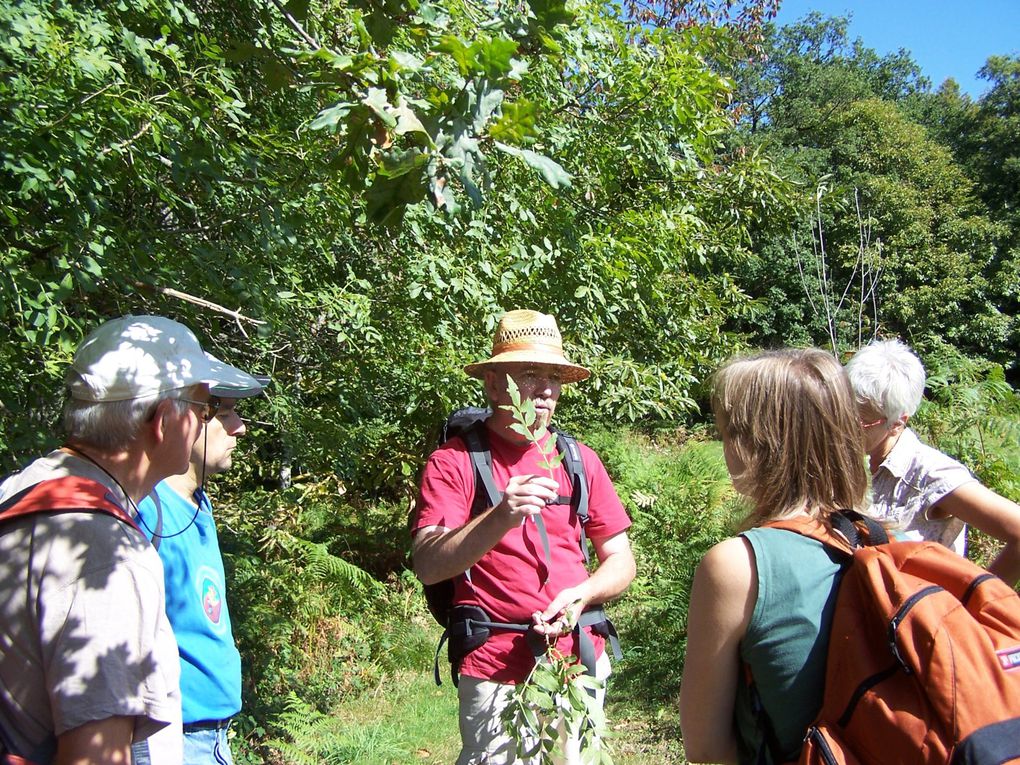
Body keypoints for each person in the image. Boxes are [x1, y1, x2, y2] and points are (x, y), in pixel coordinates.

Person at [0, 315, 262, 765]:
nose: (212, 424)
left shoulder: (22, 490)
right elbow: (94, 755)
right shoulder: (107, 555)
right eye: (203, 411)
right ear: (164, 422)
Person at [411, 309, 636, 765]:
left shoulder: (579, 458)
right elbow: (428, 563)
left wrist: (582, 596)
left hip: (578, 661)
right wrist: (502, 515)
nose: (546, 388)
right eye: (530, 373)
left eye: (553, 376)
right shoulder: (453, 462)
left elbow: (620, 560)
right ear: (495, 385)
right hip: (496, 669)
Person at [680, 348, 870, 765]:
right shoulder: (881, 538)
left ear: (757, 443)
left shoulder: (736, 566)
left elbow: (705, 746)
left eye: (727, 432)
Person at [130, 372, 268, 765]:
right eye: (224, 412)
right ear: (180, 419)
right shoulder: (145, 512)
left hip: (213, 736)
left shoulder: (197, 503)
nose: (239, 428)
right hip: (171, 737)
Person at [845, 339, 1020, 585]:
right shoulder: (852, 456)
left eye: (859, 421)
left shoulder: (930, 474)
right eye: (841, 412)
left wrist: (974, 606)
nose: (843, 427)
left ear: (897, 423)